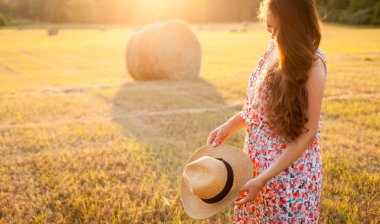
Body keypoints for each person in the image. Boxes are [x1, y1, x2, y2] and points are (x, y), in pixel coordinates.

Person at [206, 0, 328, 223]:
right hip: (255, 173)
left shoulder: (312, 64)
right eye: (269, 28)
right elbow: (258, 109)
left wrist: (263, 179)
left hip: (288, 179)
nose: (272, 35)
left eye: (278, 28)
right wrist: (229, 125)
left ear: (296, 25)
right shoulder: (273, 48)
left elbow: (307, 135)